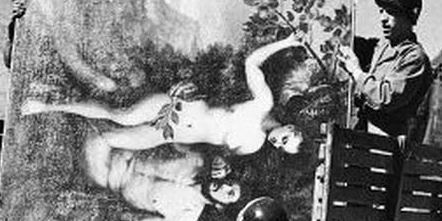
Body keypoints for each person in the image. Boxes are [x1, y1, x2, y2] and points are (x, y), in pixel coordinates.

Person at [21, 34, 307, 157]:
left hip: (168, 137)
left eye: (283, 147)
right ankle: (46, 105)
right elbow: (251, 63)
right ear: (289, 127)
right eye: (285, 139)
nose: (278, 143)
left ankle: (58, 108)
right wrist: (286, 43)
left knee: (111, 139)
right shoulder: (262, 104)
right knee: (119, 116)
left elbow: (209, 148)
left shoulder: (253, 146)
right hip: (177, 110)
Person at [78, 132, 242, 221]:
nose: (224, 186)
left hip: (107, 175)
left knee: (96, 137)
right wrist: (218, 156)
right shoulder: (200, 160)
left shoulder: (183, 218)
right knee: (100, 131)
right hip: (122, 143)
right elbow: (176, 134)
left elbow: (132, 220)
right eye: (229, 182)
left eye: (230, 193)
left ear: (221, 207)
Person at [337, 0, 433, 139]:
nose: (383, 18)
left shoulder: (414, 57)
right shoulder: (381, 46)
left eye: (391, 12)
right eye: (381, 11)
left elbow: (385, 97)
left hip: (384, 145)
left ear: (409, 16)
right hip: (360, 136)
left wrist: (356, 72)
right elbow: (350, 43)